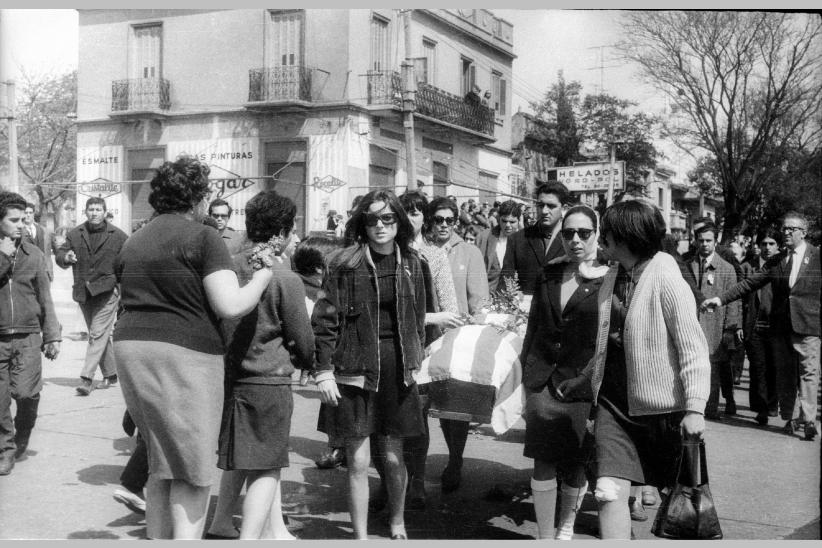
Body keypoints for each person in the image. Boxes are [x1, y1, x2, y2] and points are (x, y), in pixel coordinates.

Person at [114, 156, 276, 539]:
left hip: (131, 347)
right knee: (193, 465)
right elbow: (230, 305)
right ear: (200, 197)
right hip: (185, 352)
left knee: (161, 459)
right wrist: (263, 275)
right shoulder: (203, 237)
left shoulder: (135, 239)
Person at [576, 199, 710, 540]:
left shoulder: (667, 278)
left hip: (660, 410)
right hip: (613, 403)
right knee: (607, 491)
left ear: (626, 237)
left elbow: (692, 347)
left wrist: (695, 407)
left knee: (677, 504)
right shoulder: (613, 276)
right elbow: (610, 342)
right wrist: (585, 379)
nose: (602, 239)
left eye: (607, 233)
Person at [312, 190, 427, 540]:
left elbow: (420, 318)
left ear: (399, 222)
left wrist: (417, 358)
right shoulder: (344, 263)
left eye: (388, 218)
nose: (380, 225)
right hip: (354, 368)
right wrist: (323, 370)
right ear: (362, 223)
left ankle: (397, 521)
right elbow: (325, 320)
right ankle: (360, 536)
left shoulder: (414, 263)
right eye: (372, 219)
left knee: (393, 457)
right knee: (358, 461)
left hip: (397, 368)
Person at [208, 191, 315, 540]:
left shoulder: (226, 267)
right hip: (269, 382)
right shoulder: (285, 278)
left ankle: (222, 522)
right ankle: (250, 540)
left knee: (240, 456)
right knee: (266, 467)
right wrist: (308, 361)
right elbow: (303, 339)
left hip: (230, 377)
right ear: (281, 233)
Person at [520, 204, 607, 540]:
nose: (575, 240)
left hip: (582, 382)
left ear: (597, 234)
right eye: (568, 233)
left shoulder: (609, 278)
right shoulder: (550, 272)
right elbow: (533, 327)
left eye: (584, 233)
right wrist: (526, 377)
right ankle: (544, 537)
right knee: (542, 459)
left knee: (576, 463)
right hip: (543, 380)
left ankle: (566, 527)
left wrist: (592, 381)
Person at [702, 211, 821, 440]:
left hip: (809, 326)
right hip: (782, 328)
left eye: (791, 229)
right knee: (785, 376)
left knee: (809, 373)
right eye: (784, 228)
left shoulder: (817, 257)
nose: (785, 232)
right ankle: (791, 416)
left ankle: (808, 420)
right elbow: (749, 284)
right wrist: (719, 300)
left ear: (803, 233)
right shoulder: (777, 261)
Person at [426, 196, 489, 493]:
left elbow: (479, 299)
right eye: (438, 219)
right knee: (429, 404)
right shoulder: (420, 249)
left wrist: (478, 325)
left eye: (449, 220)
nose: (444, 225)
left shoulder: (469, 252)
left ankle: (455, 459)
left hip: (457, 338)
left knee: (455, 407)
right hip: (425, 335)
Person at [0, 191, 61, 476]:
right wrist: (3, 258)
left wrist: (52, 336)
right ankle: (6, 450)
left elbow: (45, 297)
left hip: (27, 336)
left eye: (23, 219)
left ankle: (22, 434)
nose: (21, 225)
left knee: (25, 394)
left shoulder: (33, 254)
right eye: (13, 220)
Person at [56, 197, 128, 396]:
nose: (94, 213)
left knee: (96, 334)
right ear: (85, 212)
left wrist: (123, 291)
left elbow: (127, 264)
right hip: (84, 292)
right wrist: (66, 257)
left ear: (105, 212)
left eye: (98, 209)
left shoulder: (119, 236)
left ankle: (86, 378)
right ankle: (111, 374)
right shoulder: (75, 233)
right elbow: (60, 253)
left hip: (107, 292)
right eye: (91, 209)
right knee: (100, 335)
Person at [291, 235, 348, 470]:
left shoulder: (334, 284)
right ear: (319, 267)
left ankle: (341, 446)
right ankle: (336, 445)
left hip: (342, 355)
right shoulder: (308, 290)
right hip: (328, 357)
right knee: (334, 403)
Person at [687, 218, 741, 419]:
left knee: (714, 369)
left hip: (716, 327)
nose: (704, 244)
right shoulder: (688, 265)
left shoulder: (726, 268)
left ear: (715, 241)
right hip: (693, 324)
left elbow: (733, 301)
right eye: (701, 240)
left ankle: (711, 408)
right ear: (695, 241)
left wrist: (730, 329)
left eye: (708, 241)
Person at [501, 182, 572, 312]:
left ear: (564, 208)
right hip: (524, 316)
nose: (544, 211)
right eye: (540, 205)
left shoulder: (573, 240)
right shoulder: (517, 239)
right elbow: (506, 280)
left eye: (551, 206)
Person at [744, 228, 782, 425]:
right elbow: (740, 298)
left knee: (774, 366)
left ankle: (772, 404)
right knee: (758, 367)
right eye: (764, 244)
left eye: (771, 244)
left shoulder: (783, 266)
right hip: (754, 325)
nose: (767, 248)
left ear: (778, 246)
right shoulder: (747, 268)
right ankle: (762, 409)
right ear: (758, 246)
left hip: (776, 326)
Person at [475, 200, 521, 293]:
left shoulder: (525, 241)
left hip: (514, 297)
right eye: (504, 221)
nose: (508, 225)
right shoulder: (483, 237)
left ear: (519, 221)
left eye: (512, 222)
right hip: (487, 295)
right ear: (499, 218)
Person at [22, 202, 58, 282]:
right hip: (25, 275)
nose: (28, 215)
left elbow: (58, 251)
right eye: (25, 212)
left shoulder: (46, 232)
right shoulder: (17, 231)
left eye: (30, 213)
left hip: (45, 273)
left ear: (33, 214)